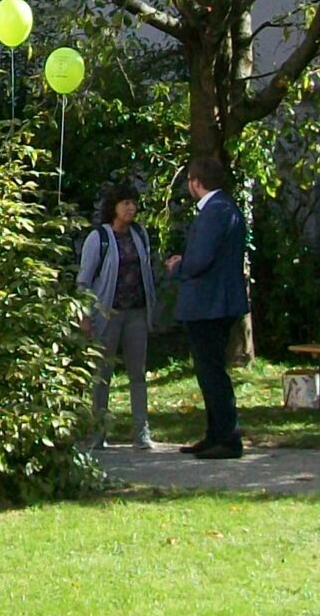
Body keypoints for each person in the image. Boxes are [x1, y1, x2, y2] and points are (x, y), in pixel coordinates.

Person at [166, 157, 249, 460]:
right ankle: (215, 434)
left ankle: (227, 438)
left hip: (210, 304)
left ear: (196, 182)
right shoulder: (224, 208)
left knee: (212, 371)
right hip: (215, 302)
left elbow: (200, 260)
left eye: (189, 180)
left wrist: (178, 266)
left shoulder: (215, 211)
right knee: (208, 370)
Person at [75, 183, 159, 450]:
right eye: (125, 203)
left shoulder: (139, 234)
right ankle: (98, 432)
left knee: (138, 373)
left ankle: (141, 432)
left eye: (134, 203)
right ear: (114, 207)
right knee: (103, 374)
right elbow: (84, 281)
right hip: (107, 315)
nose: (131, 208)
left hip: (136, 312)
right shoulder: (98, 238)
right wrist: (85, 316)